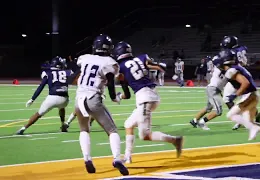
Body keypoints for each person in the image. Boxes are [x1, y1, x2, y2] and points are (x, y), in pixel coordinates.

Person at [113, 41, 183, 164]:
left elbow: (127, 94)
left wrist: (119, 96)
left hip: (145, 98)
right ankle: (127, 157)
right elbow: (159, 66)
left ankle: (175, 140)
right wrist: (175, 78)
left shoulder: (121, 68)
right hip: (150, 94)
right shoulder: (141, 58)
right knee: (128, 124)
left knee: (144, 135)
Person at [72, 34, 129, 175]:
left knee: (84, 130)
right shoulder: (109, 62)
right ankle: (117, 159)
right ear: (109, 48)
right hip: (93, 98)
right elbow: (110, 83)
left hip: (79, 99)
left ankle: (87, 159)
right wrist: (114, 97)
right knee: (112, 131)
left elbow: (75, 76)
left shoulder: (85, 58)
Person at [217, 49, 260, 145]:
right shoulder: (235, 68)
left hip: (250, 95)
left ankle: (254, 128)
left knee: (231, 115)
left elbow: (245, 83)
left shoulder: (232, 70)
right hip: (252, 95)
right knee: (249, 122)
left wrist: (235, 94)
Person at [17, 57, 71, 135]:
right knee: (62, 107)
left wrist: (32, 99)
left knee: (39, 114)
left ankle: (23, 128)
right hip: (65, 99)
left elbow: (41, 86)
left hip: (53, 97)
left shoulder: (48, 73)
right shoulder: (66, 72)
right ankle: (63, 125)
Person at [219, 36, 260, 130]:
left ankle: (240, 120)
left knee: (230, 98)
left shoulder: (231, 52)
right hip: (239, 71)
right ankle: (253, 115)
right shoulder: (241, 49)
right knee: (239, 98)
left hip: (236, 73)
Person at [190, 55, 228, 130]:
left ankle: (194, 120)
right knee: (218, 111)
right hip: (213, 89)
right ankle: (202, 122)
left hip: (214, 90)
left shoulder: (225, 70)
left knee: (208, 108)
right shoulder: (219, 68)